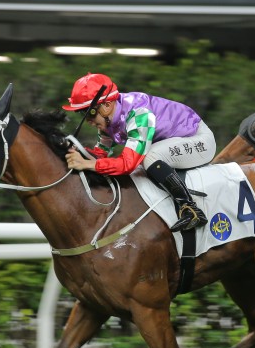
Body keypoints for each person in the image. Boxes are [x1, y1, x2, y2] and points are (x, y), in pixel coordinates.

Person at [62, 73, 216, 231]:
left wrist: (89, 164)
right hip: (174, 142)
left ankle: (190, 209)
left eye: (89, 113)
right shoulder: (107, 120)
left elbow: (127, 164)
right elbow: (99, 154)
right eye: (82, 113)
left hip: (199, 140)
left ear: (107, 106)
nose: (88, 120)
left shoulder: (139, 114)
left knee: (150, 157)